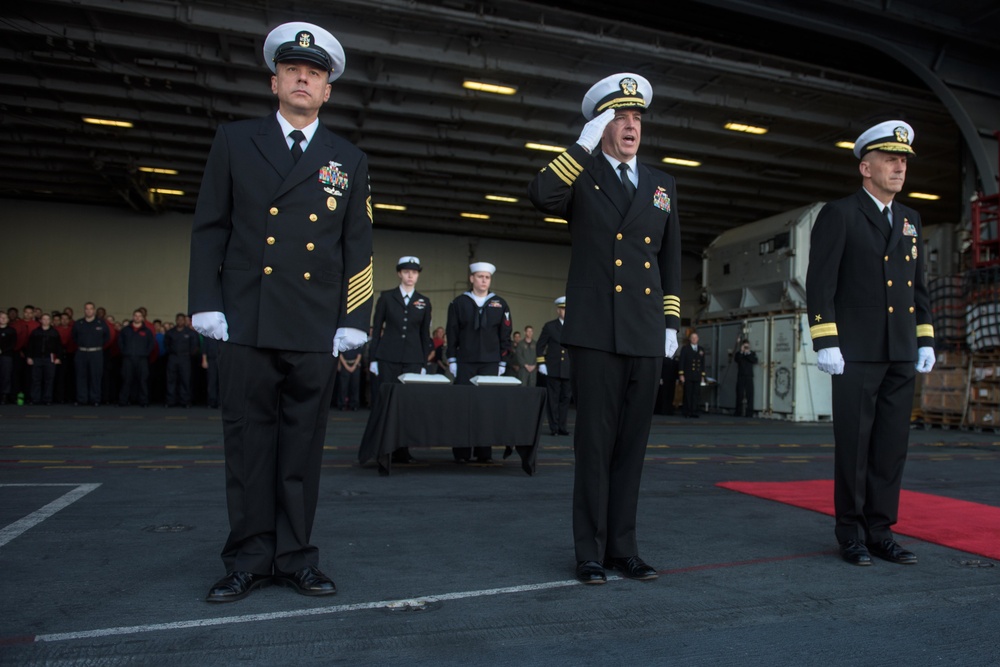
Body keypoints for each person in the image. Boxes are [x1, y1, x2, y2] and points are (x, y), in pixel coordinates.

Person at [188, 21, 373, 603]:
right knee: (247, 447)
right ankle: (247, 558)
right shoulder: (235, 140)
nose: (303, 78)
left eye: (314, 73)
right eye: (293, 69)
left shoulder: (348, 158)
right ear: (274, 82)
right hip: (248, 318)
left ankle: (294, 557)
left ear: (327, 92)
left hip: (314, 324)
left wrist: (354, 320)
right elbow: (209, 228)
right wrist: (205, 304)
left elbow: (358, 246)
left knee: (301, 449)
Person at [528, 73, 681, 585]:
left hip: (643, 331)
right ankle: (589, 551)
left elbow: (671, 259)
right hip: (595, 332)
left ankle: (624, 548)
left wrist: (671, 320)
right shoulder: (582, 175)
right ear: (601, 125)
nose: (631, 126)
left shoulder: (662, 184)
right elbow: (540, 194)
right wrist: (582, 146)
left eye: (637, 118)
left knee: (631, 447)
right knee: (593, 446)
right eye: (620, 117)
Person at [806, 119, 935, 567]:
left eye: (903, 161)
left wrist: (925, 338)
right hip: (856, 352)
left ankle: (880, 531)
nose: (899, 167)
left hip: (900, 349)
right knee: (855, 445)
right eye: (890, 160)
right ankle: (851, 532)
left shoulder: (912, 220)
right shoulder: (840, 214)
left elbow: (920, 289)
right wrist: (826, 339)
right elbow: (820, 283)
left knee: (890, 447)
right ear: (866, 167)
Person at [445, 261, 513, 462]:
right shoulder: (459, 303)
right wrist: (452, 358)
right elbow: (452, 331)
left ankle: (484, 452)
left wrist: (502, 361)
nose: (484, 280)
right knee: (463, 407)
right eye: (480, 277)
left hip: (490, 362)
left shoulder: (500, 303)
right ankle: (462, 452)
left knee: (486, 408)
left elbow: (505, 334)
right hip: (465, 361)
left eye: (487, 277)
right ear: (472, 278)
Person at [368, 256, 433, 462]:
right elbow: (376, 329)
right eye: (406, 271)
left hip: (413, 359)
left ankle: (402, 448)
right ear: (399, 273)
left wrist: (423, 363)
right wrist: (373, 358)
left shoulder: (424, 302)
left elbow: (425, 335)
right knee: (386, 402)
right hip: (388, 356)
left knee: (408, 405)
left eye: (414, 272)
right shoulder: (386, 297)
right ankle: (382, 448)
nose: (410, 275)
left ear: (418, 275)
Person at [537, 297, 572, 435]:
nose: (564, 311)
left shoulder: (573, 326)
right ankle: (554, 427)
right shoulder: (550, 326)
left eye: (566, 309)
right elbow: (540, 345)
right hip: (553, 368)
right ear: (558, 310)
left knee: (565, 399)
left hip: (568, 369)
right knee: (553, 399)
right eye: (562, 309)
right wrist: (541, 363)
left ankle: (562, 426)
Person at [71, 302, 111, 406]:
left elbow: (107, 338)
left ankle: (95, 399)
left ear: (94, 310)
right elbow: (74, 337)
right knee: (81, 376)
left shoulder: (101, 323)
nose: (89, 311)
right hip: (81, 352)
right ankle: (82, 399)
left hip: (96, 353)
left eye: (91, 309)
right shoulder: (78, 323)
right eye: (86, 309)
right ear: (84, 310)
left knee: (96, 376)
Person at [118, 310, 154, 407]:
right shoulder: (125, 330)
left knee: (143, 381)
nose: (137, 317)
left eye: (139, 316)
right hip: (128, 359)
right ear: (133, 317)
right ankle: (123, 401)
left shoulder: (147, 331)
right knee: (126, 380)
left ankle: (144, 401)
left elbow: (151, 344)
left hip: (142, 359)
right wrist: (125, 352)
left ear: (143, 318)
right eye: (136, 315)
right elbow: (120, 343)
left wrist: (145, 353)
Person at [26, 313, 63, 405]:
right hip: (37, 358)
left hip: (49, 359)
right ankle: (35, 399)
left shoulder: (54, 332)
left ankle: (47, 399)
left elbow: (58, 347)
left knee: (49, 380)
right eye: (44, 319)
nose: (46, 321)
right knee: (36, 379)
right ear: (40, 320)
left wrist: (58, 357)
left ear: (50, 321)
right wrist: (29, 357)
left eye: (47, 319)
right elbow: (30, 346)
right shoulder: (35, 332)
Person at [164, 313, 198, 407]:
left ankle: (185, 401)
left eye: (182, 319)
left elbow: (195, 346)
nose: (180, 321)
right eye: (178, 319)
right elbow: (166, 345)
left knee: (185, 380)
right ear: (176, 320)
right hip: (173, 358)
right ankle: (170, 401)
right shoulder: (170, 332)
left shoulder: (190, 333)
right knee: (171, 380)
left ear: (185, 321)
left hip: (185, 358)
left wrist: (189, 354)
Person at [679, 332, 706, 418]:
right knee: (688, 393)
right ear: (690, 339)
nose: (694, 339)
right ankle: (687, 411)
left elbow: (702, 363)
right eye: (692, 337)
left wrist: (702, 375)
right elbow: (681, 362)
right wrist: (681, 374)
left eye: (696, 337)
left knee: (696, 394)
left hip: (697, 375)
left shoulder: (701, 349)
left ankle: (694, 411)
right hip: (688, 374)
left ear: (698, 339)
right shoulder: (685, 348)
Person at [733, 340, 758, 417]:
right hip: (741, 376)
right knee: (739, 394)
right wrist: (741, 351)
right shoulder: (739, 354)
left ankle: (749, 413)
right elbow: (737, 360)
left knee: (750, 394)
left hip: (749, 376)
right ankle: (738, 412)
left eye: (747, 346)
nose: (746, 347)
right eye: (745, 346)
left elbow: (754, 360)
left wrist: (747, 353)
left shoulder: (752, 353)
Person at [0, 312, 15, 404]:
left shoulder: (11, 331)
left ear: (8, 319)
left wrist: (2, 350)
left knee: (5, 376)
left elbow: (12, 344)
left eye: (4, 317)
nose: (2, 319)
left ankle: (4, 395)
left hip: (6, 356)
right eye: (1, 317)